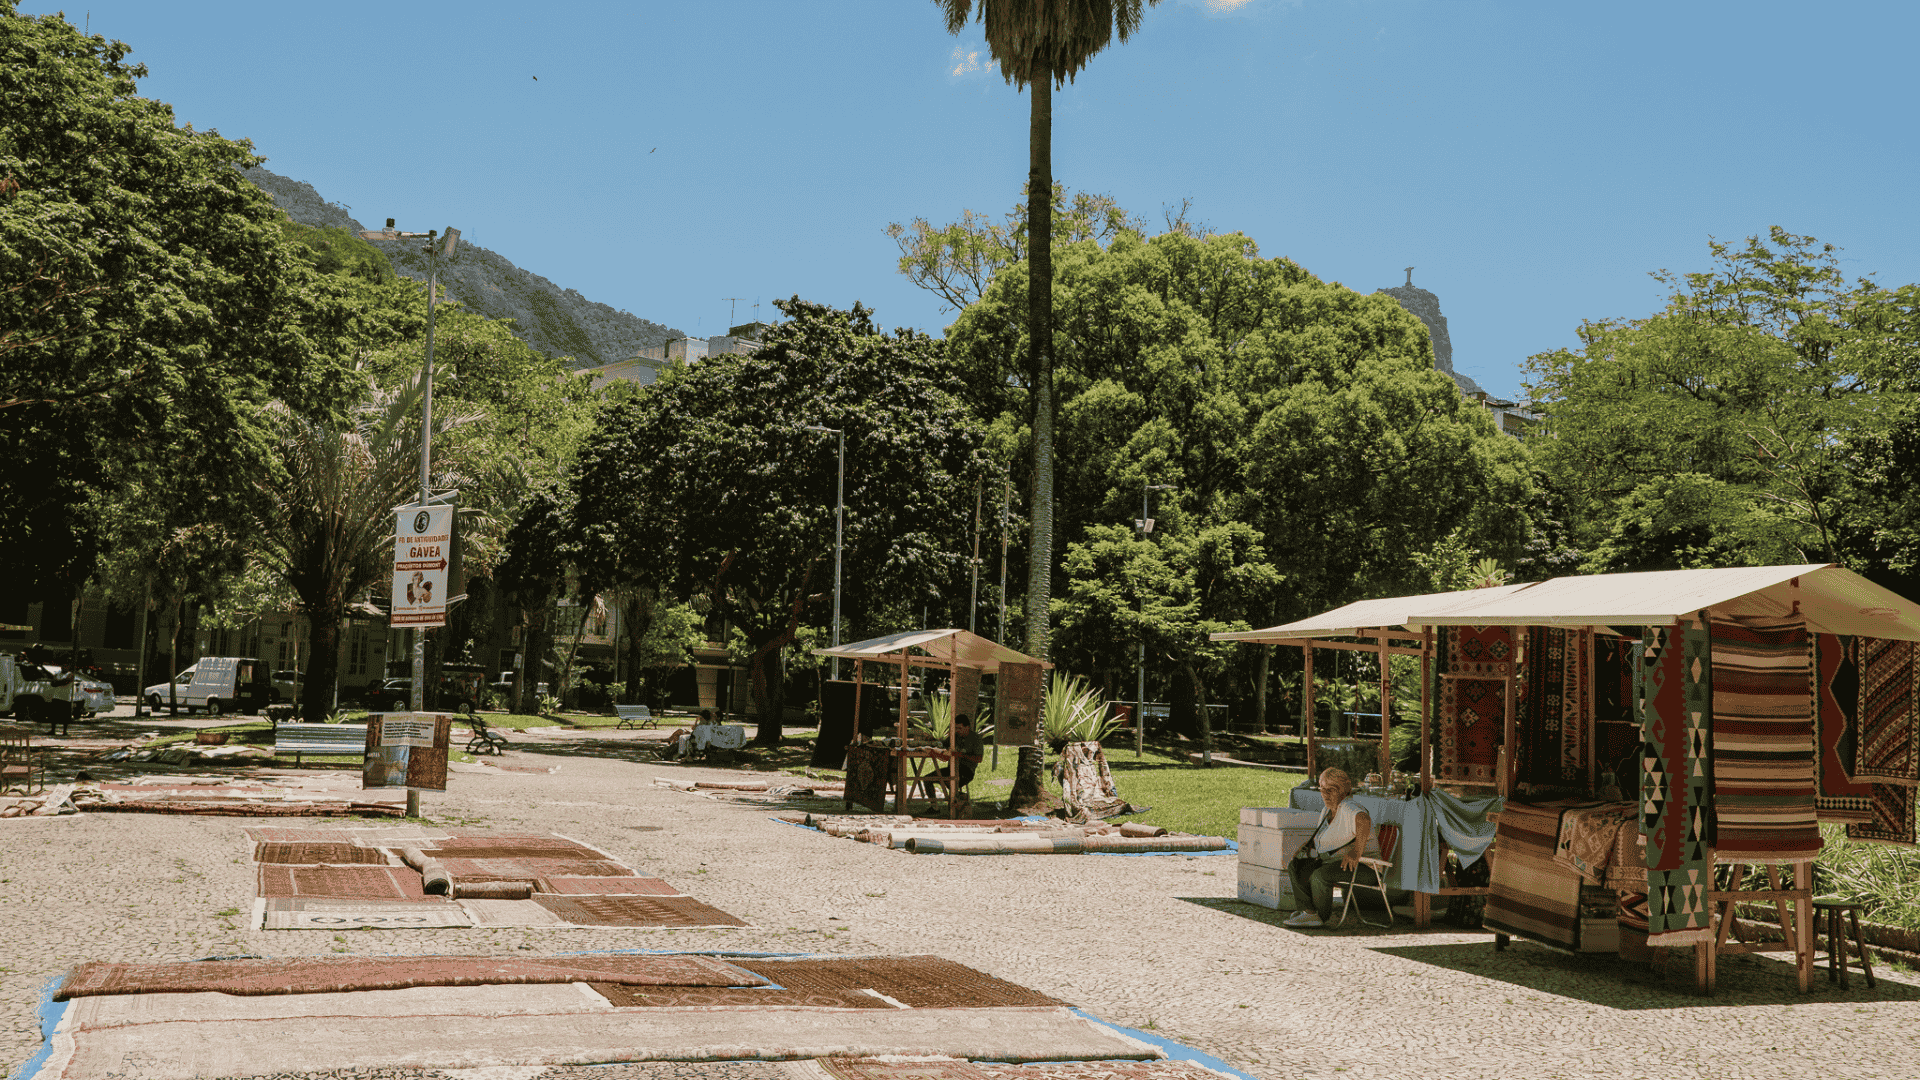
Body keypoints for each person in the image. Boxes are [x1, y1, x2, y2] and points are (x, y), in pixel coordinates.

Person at [1284, 767, 1378, 929]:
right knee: (1297, 866)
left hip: (1366, 868)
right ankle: (1308, 912)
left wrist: (1356, 851)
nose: (1325, 794)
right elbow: (1326, 835)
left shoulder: (1349, 807)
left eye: (1331, 790)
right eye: (1323, 789)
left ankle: (1318, 916)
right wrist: (1308, 846)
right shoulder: (1327, 809)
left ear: (1343, 791)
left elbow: (1364, 820)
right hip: (1337, 864)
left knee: (1319, 875)